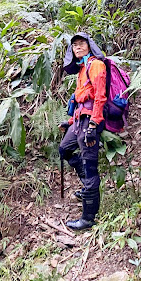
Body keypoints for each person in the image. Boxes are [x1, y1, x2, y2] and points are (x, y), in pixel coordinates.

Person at [59, 32, 107, 231]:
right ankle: (87, 185)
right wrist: (70, 121)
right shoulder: (82, 68)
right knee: (64, 149)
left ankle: (88, 218)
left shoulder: (96, 65)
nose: (77, 47)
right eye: (74, 45)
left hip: (90, 122)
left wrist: (94, 124)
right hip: (79, 120)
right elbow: (82, 99)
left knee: (90, 166)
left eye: (81, 44)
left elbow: (100, 97)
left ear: (89, 46)